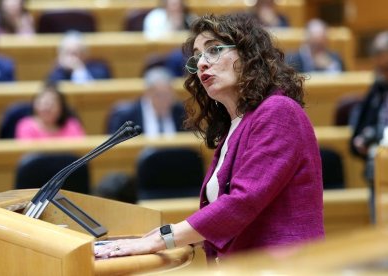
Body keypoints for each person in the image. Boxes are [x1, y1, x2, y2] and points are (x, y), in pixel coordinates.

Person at [95, 14, 324, 261]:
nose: (202, 63)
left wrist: (162, 238)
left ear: (248, 55)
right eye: (198, 56)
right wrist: (154, 238)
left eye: (213, 50)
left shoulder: (279, 111)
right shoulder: (236, 125)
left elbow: (243, 202)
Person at [350, 31, 388, 222]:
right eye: (379, 68)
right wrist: (362, 140)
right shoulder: (377, 88)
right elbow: (360, 127)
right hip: (378, 171)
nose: (382, 73)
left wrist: (376, 134)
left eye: (386, 68)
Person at [107, 66, 185, 137]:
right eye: (159, 95)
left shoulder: (182, 114)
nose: (164, 101)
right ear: (147, 93)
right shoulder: (126, 117)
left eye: (168, 95)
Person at [15, 83, 85, 140]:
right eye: (43, 103)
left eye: (51, 104)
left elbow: (80, 152)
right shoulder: (26, 126)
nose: (47, 108)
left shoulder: (72, 125)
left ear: (61, 107)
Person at [47, 31, 111, 84]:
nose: (71, 58)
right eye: (67, 53)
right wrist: (59, 68)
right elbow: (53, 90)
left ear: (85, 55)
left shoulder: (99, 68)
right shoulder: (58, 71)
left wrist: (79, 70)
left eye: (74, 54)